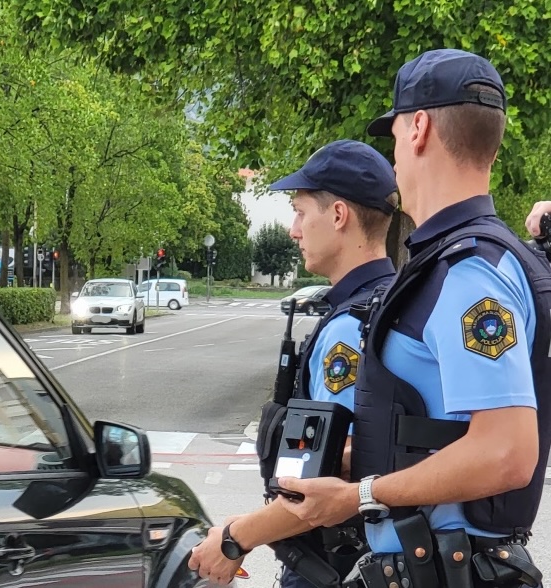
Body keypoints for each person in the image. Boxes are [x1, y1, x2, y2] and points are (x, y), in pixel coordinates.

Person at [276, 49, 551, 588]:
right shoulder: (455, 262)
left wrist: (361, 494)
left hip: (446, 568)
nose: (395, 154)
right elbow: (442, 429)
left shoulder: (469, 271)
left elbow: (506, 452)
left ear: (419, 127)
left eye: (395, 133)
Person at [187, 139, 398, 586]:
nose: (293, 230)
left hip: (333, 564)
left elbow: (320, 484)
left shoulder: (349, 327)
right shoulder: (394, 305)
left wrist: (233, 538)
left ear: (338, 215)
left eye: (301, 212)